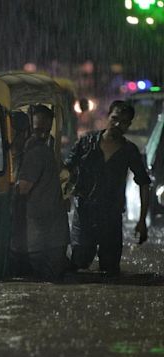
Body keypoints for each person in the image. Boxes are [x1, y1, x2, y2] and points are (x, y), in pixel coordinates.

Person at [64, 100, 151, 275]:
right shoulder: (86, 143)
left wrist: (142, 221)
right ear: (108, 117)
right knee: (78, 264)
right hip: (84, 214)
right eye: (115, 119)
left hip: (111, 216)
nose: (118, 124)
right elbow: (66, 170)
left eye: (124, 122)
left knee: (110, 270)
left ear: (129, 125)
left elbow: (143, 183)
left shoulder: (129, 151)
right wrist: (64, 195)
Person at [10, 105, 70, 281]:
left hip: (42, 237)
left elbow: (23, 188)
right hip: (51, 235)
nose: (42, 135)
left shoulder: (36, 152)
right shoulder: (42, 149)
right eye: (38, 131)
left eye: (44, 131)